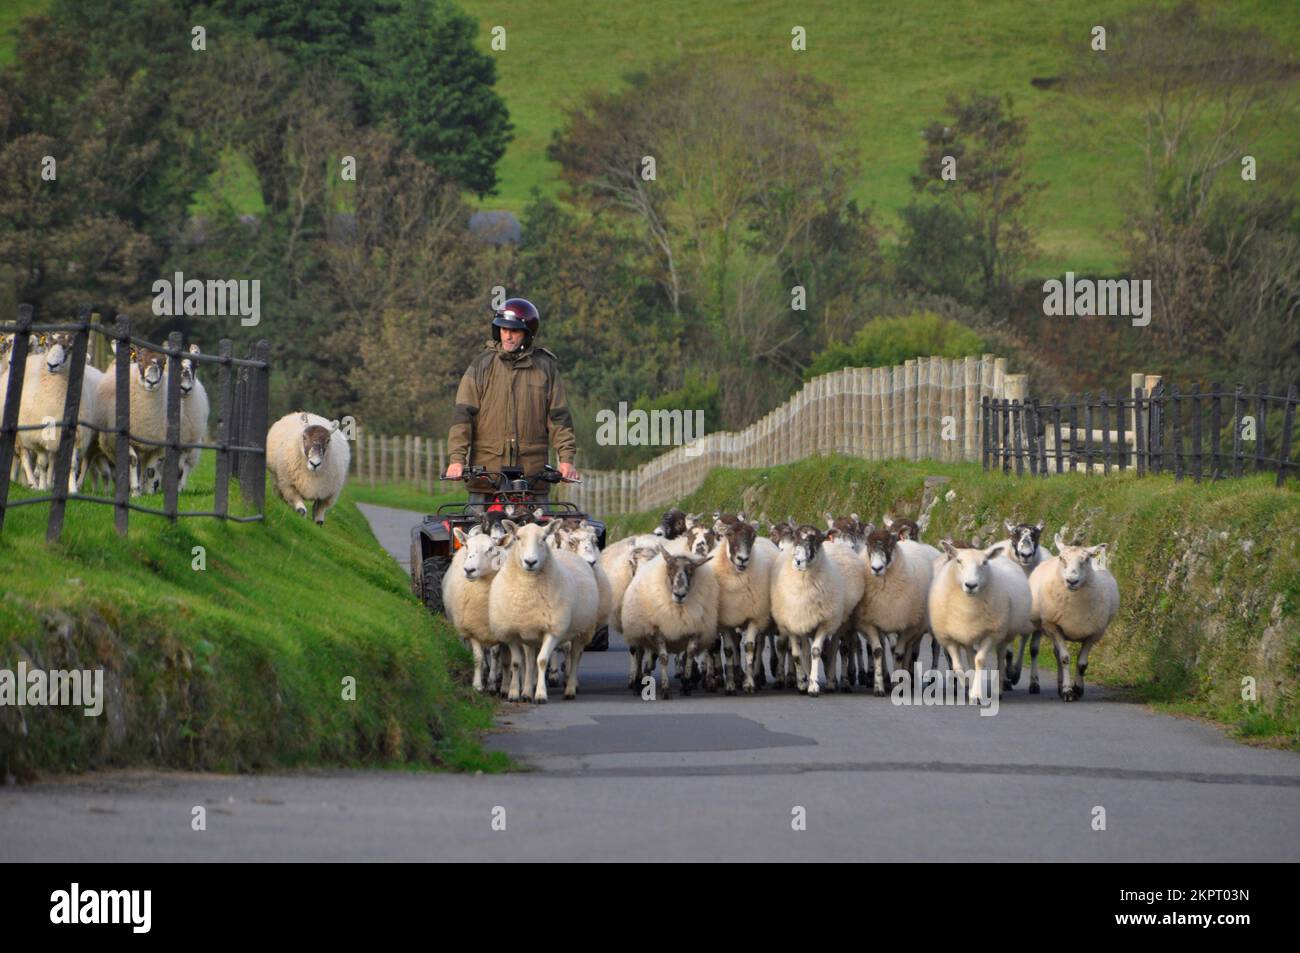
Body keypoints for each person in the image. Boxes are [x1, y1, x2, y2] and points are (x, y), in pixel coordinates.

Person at [445, 297, 579, 504]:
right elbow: (463, 415)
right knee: (470, 533)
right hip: (486, 477)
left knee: (542, 534)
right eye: (503, 329)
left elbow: (559, 419)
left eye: (514, 331)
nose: (507, 336)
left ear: (527, 334)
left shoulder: (546, 368)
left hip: (533, 478)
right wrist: (456, 460)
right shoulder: (481, 365)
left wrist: (566, 461)